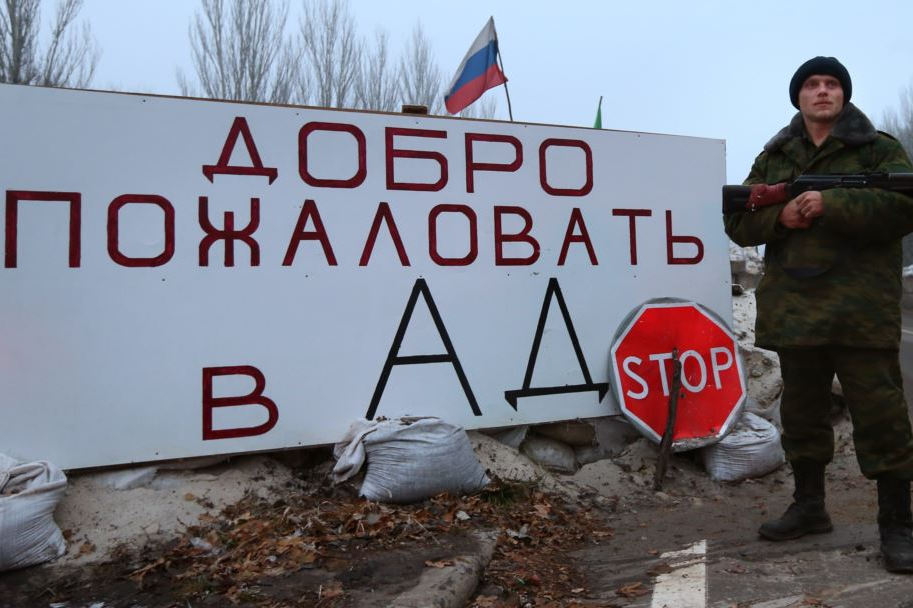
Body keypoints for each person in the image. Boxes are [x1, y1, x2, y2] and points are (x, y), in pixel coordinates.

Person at [725, 56, 913, 573]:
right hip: (797, 312)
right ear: (799, 97)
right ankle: (809, 507)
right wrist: (780, 216)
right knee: (802, 417)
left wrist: (833, 206)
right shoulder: (776, 155)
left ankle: (897, 524)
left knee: (883, 419)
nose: (823, 92)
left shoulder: (878, 148)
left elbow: (904, 208)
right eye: (813, 85)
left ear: (844, 95)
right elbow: (738, 219)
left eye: (832, 84)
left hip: (860, 312)